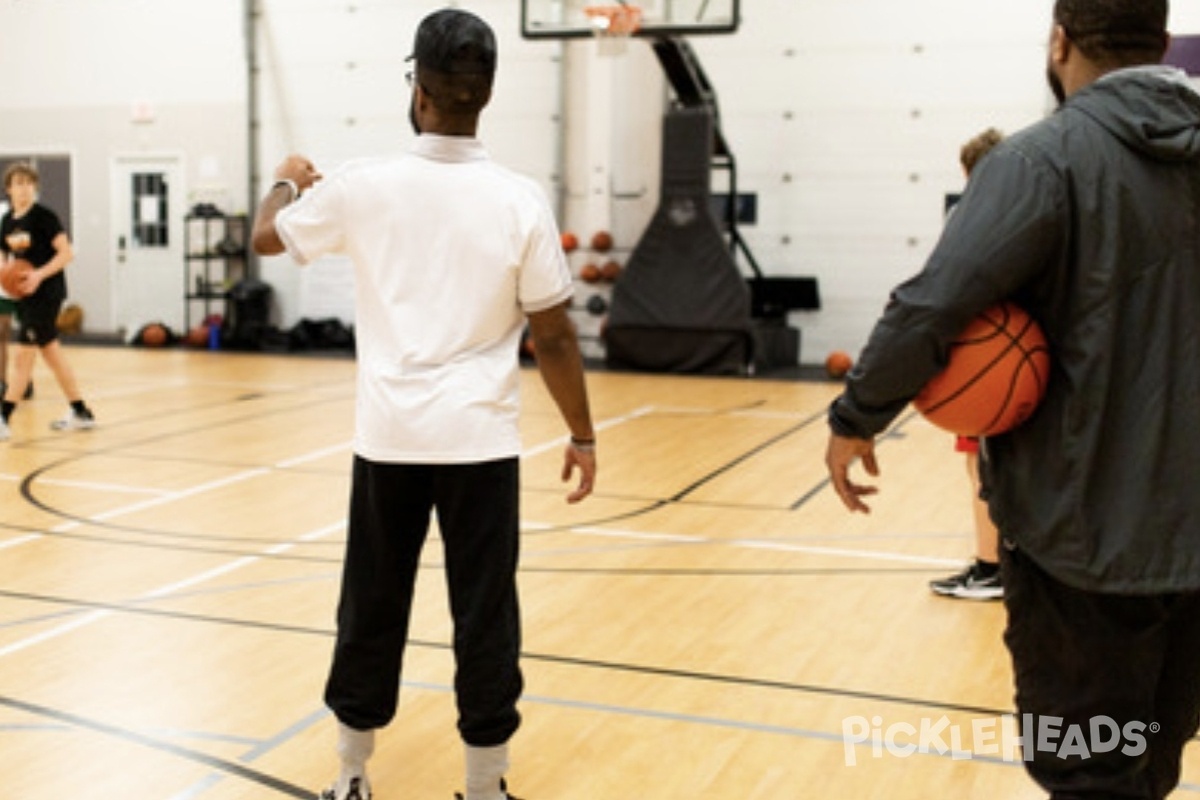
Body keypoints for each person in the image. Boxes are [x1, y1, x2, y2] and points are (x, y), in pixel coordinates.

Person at [825, 1, 1200, 796]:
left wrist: (856, 415)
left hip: (1082, 541)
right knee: (1152, 762)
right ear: (1161, 43)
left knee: (1091, 767)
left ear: (1060, 40)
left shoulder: (1043, 160)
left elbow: (935, 304)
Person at [251, 9, 596, 800]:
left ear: (420, 90)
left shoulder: (362, 185)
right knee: (486, 616)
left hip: (390, 441)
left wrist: (285, 176)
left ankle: (350, 776)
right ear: (488, 92)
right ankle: (484, 787)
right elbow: (557, 338)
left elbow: (268, 237)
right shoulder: (519, 201)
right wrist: (581, 434)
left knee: (371, 606)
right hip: (481, 445)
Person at [927, 127, 1005, 601]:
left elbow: (945, 291)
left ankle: (991, 567)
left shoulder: (976, 215)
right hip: (1018, 361)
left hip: (988, 362)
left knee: (981, 469)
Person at [0, 162, 94, 441]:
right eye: (18, 183)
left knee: (22, 357)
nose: (24, 188)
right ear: (9, 189)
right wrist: (6, 274)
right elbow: (4, 256)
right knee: (52, 354)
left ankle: (4, 417)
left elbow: (66, 254)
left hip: (47, 293)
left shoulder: (44, 217)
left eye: (29, 183)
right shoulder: (7, 221)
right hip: (25, 296)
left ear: (35, 188)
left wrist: (38, 275)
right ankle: (81, 411)